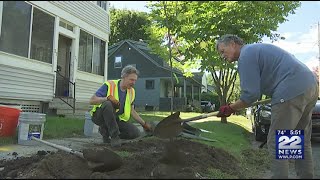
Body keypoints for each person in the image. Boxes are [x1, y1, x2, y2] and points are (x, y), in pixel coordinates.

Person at [215, 34, 318, 179]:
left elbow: (250, 95)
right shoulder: (256, 50)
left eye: (222, 51)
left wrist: (231, 108)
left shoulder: (246, 55)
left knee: (277, 142)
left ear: (232, 44)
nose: (222, 56)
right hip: (310, 85)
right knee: (296, 140)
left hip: (291, 89)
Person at [89, 65, 152, 147]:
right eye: (131, 80)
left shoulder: (131, 91)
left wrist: (144, 124)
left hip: (116, 119)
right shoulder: (110, 85)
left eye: (135, 80)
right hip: (99, 117)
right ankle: (114, 137)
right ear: (124, 77)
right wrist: (107, 98)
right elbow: (92, 100)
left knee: (135, 133)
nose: (133, 83)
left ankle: (106, 131)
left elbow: (132, 111)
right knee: (108, 104)